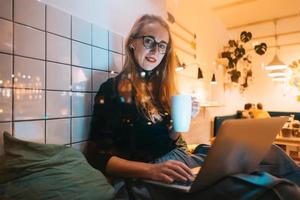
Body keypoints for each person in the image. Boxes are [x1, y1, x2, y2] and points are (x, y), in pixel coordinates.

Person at [86, 14, 300, 199]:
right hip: (146, 175)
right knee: (275, 190)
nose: (155, 50)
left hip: (179, 161)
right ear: (132, 42)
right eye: (149, 41)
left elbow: (166, 139)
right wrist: (150, 170)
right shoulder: (113, 88)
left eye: (162, 46)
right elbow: (97, 155)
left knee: (274, 154)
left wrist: (183, 120)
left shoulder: (156, 91)